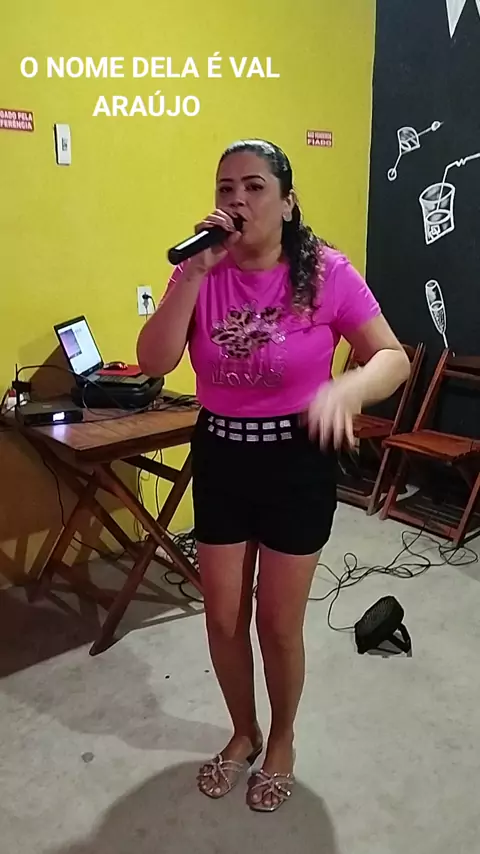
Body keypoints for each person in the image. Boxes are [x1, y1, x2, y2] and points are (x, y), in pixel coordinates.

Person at [137, 138, 410, 812]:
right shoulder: (202, 269)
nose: (237, 200)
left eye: (255, 187)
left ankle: (282, 737)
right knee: (223, 618)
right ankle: (244, 731)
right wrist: (191, 275)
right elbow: (154, 361)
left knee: (277, 626)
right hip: (223, 454)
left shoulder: (326, 272)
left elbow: (392, 357)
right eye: (226, 187)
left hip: (295, 460)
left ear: (287, 203)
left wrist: (348, 389)